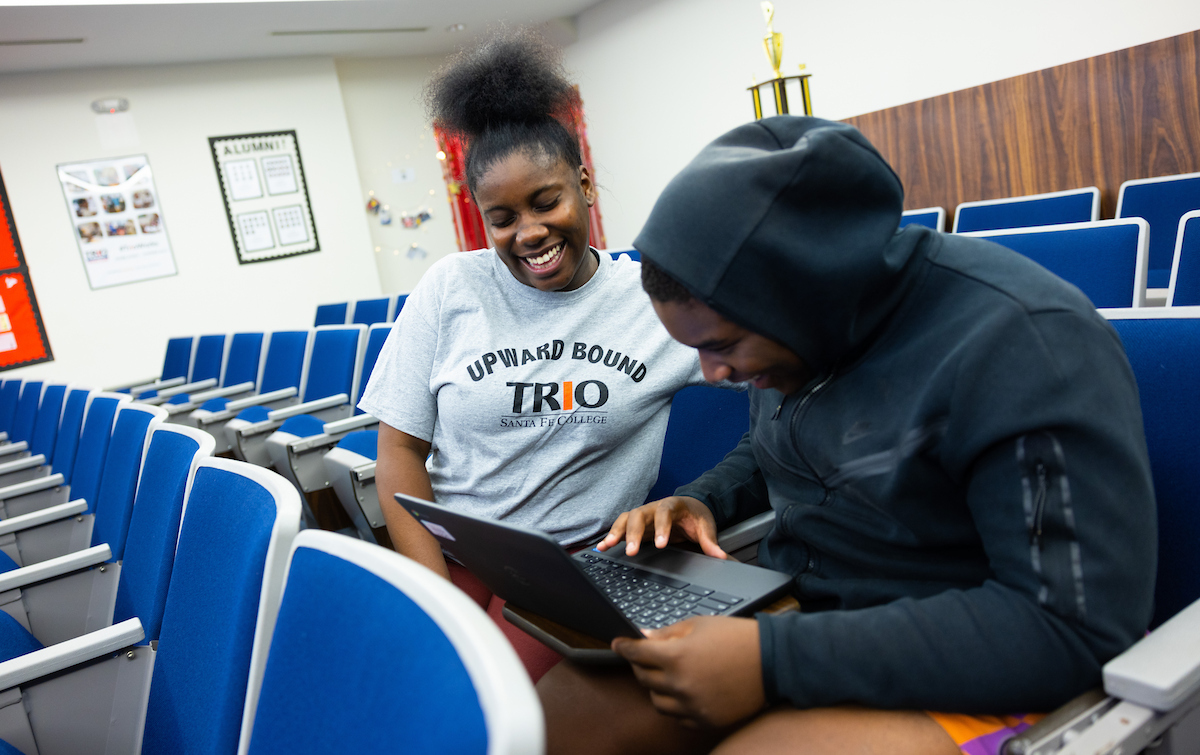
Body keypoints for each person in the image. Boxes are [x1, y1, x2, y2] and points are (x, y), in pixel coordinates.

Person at [536, 116, 1157, 755]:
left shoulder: (1026, 344)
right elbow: (784, 444)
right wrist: (702, 501)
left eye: (722, 346)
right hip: (809, 621)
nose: (712, 373)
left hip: (977, 666)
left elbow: (1068, 629)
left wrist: (773, 660)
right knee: (550, 723)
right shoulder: (807, 331)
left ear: (806, 295)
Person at [357, 31, 705, 683]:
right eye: (503, 217)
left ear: (584, 184)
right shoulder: (449, 287)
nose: (530, 233)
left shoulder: (652, 300)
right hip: (455, 552)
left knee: (494, 707)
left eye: (546, 202)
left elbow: (767, 364)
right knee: (406, 691)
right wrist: (433, 595)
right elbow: (398, 449)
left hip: (572, 568)